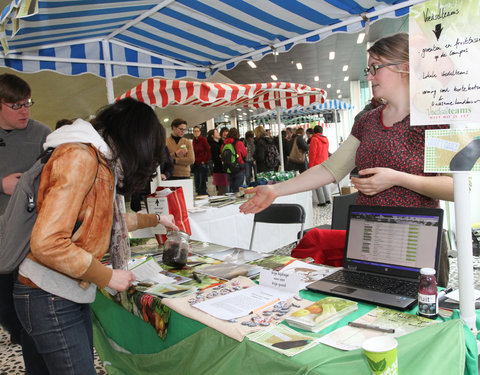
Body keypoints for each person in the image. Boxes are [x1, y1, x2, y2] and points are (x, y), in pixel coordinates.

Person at [13, 98, 178, 375]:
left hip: (57, 292)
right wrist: (106, 275)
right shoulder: (81, 157)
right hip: (49, 294)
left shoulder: (98, 160)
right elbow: (47, 242)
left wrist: (157, 219)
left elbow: (102, 221)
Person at [240, 32, 453, 212]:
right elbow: (330, 169)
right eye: (368, 70)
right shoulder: (368, 121)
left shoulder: (434, 119)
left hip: (417, 236)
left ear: (404, 68)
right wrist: (275, 190)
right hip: (366, 232)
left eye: (376, 68)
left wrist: (398, 178)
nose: (369, 77)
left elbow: (456, 187)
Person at [0, 73, 51, 372]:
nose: (25, 111)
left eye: (28, 103)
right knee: (6, 308)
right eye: (16, 105)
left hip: (30, 239)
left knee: (31, 314)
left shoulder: (42, 135)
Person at [309, 125, 331, 206]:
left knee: (317, 182)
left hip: (316, 164)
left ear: (314, 132)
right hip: (324, 163)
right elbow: (327, 151)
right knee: (323, 181)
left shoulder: (314, 139)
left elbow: (312, 154)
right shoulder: (326, 139)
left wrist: (310, 166)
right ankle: (328, 198)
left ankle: (322, 201)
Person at [221, 127, 247, 193]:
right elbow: (244, 154)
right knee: (238, 190)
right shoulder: (239, 143)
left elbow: (222, 156)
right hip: (239, 168)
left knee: (231, 189)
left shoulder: (224, 144)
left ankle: (231, 201)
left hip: (228, 169)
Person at [207, 128, 229, 195]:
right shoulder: (214, 146)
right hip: (219, 170)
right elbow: (217, 159)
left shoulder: (219, 143)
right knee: (222, 190)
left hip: (221, 169)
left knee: (223, 189)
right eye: (216, 132)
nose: (218, 133)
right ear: (212, 136)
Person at [192, 125, 211, 195]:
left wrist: (205, 161)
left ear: (200, 132)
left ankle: (203, 194)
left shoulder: (203, 140)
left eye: (197, 131)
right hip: (196, 164)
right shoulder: (193, 141)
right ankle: (200, 194)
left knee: (202, 182)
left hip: (202, 164)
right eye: (194, 131)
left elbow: (208, 151)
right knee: (196, 182)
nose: (196, 132)